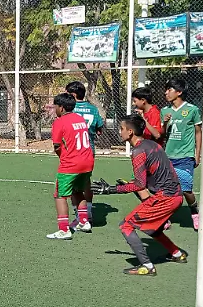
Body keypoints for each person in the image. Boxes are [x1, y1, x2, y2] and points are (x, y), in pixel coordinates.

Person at [92, 115, 188, 276]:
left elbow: (139, 185)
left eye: (122, 128)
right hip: (175, 196)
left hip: (166, 198)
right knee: (152, 229)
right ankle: (177, 254)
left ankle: (147, 266)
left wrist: (110, 189)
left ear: (130, 132)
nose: (120, 131)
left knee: (126, 226)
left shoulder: (138, 151)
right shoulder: (152, 144)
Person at [47, 93, 94, 240]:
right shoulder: (79, 119)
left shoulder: (59, 122)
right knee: (78, 191)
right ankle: (84, 221)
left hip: (71, 164)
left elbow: (56, 146)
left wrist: (63, 158)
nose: (54, 109)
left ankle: (64, 230)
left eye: (55, 106)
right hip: (87, 161)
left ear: (61, 107)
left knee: (60, 195)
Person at [161, 78, 202, 231]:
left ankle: (194, 212)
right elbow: (162, 135)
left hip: (186, 156)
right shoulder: (165, 111)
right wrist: (165, 123)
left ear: (179, 92)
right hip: (169, 156)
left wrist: (197, 155)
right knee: (166, 188)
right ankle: (165, 217)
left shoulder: (192, 110)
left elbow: (198, 133)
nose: (166, 93)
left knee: (186, 189)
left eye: (169, 90)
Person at [65, 81, 104, 225]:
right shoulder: (93, 109)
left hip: (73, 152)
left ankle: (79, 215)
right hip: (89, 151)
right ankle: (88, 211)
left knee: (71, 185)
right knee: (86, 182)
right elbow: (100, 129)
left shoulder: (70, 110)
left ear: (73, 95)